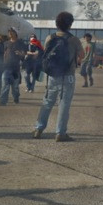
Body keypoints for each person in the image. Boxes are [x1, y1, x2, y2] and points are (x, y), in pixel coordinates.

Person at [32, 12, 84, 142]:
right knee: (64, 104)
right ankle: (60, 133)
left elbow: (46, 54)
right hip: (67, 76)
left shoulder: (49, 38)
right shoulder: (74, 40)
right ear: (70, 24)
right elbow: (82, 55)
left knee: (47, 102)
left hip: (52, 75)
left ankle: (38, 129)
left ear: (57, 24)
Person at [0, 28, 25, 106]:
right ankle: (3, 101)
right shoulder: (6, 43)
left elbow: (24, 54)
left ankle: (16, 98)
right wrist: (3, 62)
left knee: (15, 87)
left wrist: (20, 53)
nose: (9, 33)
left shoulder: (20, 43)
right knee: (5, 85)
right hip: (6, 67)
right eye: (9, 32)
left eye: (11, 32)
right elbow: (4, 53)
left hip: (15, 68)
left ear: (15, 33)